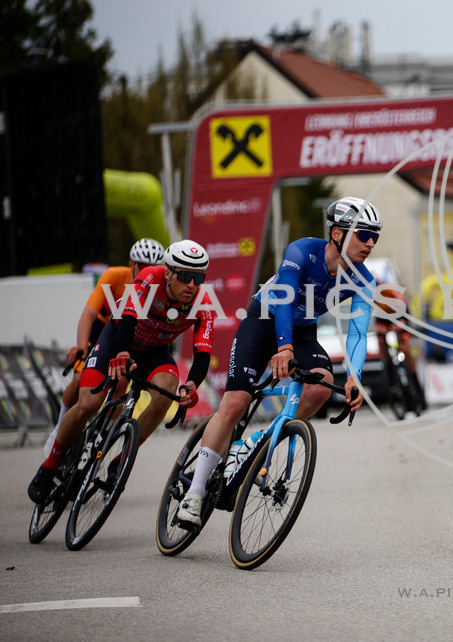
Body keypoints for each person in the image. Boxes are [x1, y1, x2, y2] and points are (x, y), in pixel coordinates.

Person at [175, 196, 381, 527]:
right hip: (265, 317)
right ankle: (194, 494)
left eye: (375, 236)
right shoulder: (303, 251)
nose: (370, 243)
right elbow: (283, 301)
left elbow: (357, 333)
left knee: (320, 388)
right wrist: (283, 348)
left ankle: (256, 442)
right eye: (363, 234)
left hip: (302, 330)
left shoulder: (363, 280)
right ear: (338, 233)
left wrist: (354, 377)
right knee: (235, 403)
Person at [28, 240, 215, 504]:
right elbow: (126, 320)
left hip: (154, 352)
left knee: (166, 393)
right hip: (117, 340)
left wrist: (193, 385)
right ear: (169, 272)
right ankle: (50, 463)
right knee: (88, 404)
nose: (192, 285)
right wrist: (122, 354)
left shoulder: (203, 303)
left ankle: (121, 458)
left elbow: (203, 353)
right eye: (185, 276)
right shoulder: (149, 278)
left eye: (198, 278)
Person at [45, 238, 166, 457]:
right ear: (132, 263)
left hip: (129, 335)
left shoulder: (157, 287)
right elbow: (88, 314)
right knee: (77, 379)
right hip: (103, 330)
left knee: (120, 383)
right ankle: (59, 428)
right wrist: (81, 348)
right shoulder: (114, 276)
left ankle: (103, 435)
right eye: (143, 267)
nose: (148, 272)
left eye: (153, 268)